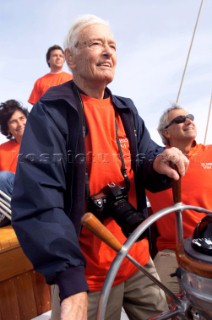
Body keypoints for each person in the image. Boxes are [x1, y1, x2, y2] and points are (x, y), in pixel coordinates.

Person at [11, 15, 189, 320]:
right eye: (96, 44)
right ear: (70, 58)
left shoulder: (126, 109)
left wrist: (158, 163)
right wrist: (69, 282)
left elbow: (145, 156)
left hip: (136, 259)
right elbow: (40, 198)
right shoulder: (50, 112)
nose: (108, 52)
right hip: (86, 275)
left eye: (113, 46)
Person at [146, 104, 212, 294]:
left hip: (210, 244)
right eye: (179, 119)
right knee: (155, 297)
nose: (188, 120)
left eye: (190, 116)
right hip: (171, 250)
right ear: (166, 132)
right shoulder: (154, 164)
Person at [0, 99, 28, 226]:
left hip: (35, 197)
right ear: (7, 128)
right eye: (13, 121)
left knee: (4, 177)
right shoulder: (2, 151)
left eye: (22, 118)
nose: (20, 124)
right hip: (9, 203)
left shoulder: (45, 144)